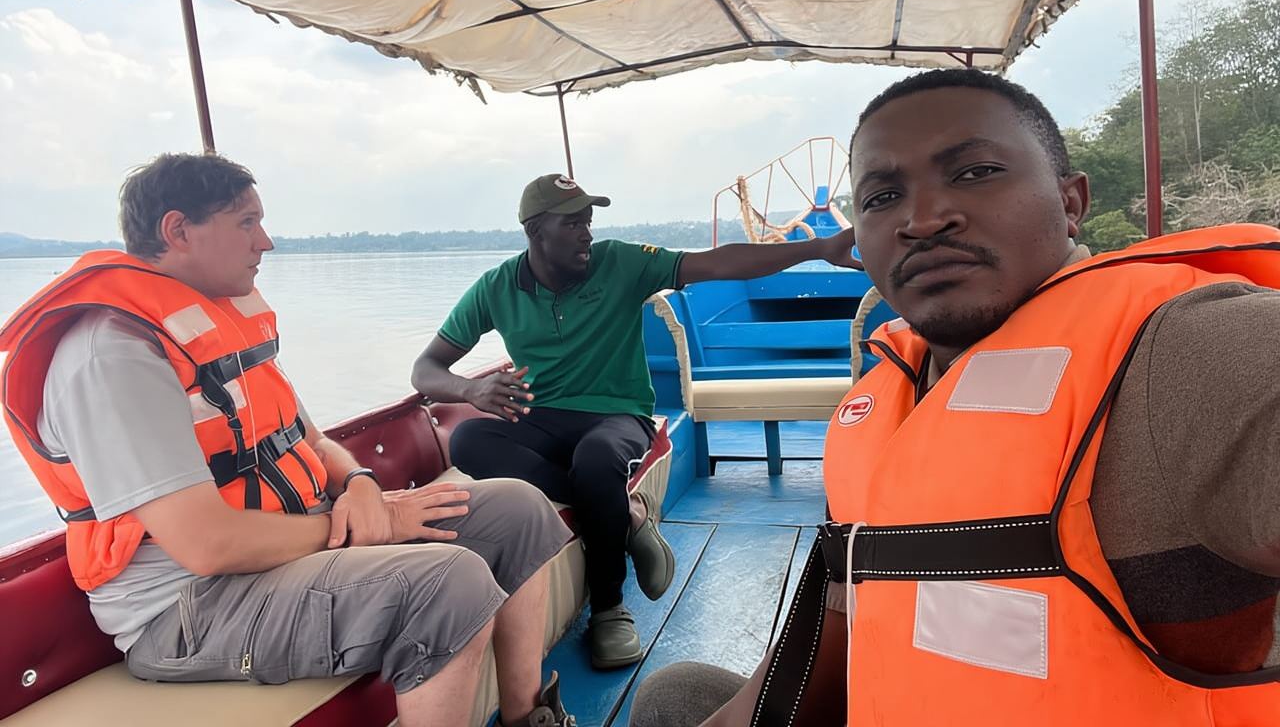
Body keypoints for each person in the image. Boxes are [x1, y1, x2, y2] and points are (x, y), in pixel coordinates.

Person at [630, 69, 1280, 726]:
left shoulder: (1182, 349)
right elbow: (845, 618)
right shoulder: (887, 391)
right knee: (675, 696)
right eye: (883, 196)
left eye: (975, 172)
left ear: (1072, 202)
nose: (922, 218)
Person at [0, 153, 577, 727]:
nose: (266, 243)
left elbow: (309, 440)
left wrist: (359, 484)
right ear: (177, 230)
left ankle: (525, 717)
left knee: (517, 509)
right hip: (190, 607)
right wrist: (359, 528)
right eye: (246, 223)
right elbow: (208, 546)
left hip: (286, 544)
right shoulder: (113, 356)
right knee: (448, 583)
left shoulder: (217, 323)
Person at [411, 173, 859, 669]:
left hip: (616, 413)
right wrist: (471, 390)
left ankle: (609, 609)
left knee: (597, 458)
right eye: (573, 223)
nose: (587, 233)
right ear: (536, 232)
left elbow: (720, 262)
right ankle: (628, 516)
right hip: (541, 417)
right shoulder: (497, 287)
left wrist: (817, 248)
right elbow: (426, 370)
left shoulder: (619, 262)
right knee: (469, 438)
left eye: (588, 221)